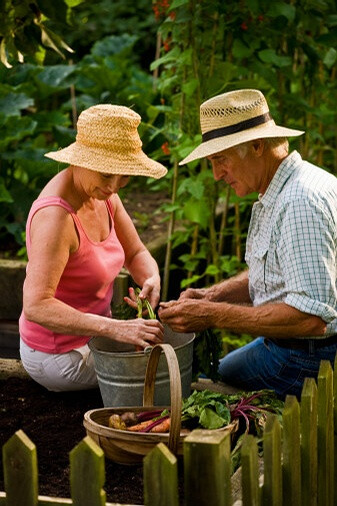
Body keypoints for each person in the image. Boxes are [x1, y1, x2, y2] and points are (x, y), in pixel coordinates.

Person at [159, 88, 337, 399]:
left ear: (256, 145)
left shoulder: (299, 203)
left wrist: (213, 315)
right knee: (215, 372)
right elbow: (278, 273)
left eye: (220, 159)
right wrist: (212, 296)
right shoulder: (289, 186)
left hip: (308, 359)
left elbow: (311, 319)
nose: (216, 175)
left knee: (200, 387)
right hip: (292, 345)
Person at [19, 104, 167, 392]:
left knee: (155, 348)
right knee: (156, 369)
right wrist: (115, 329)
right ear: (80, 160)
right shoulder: (56, 219)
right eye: (106, 174)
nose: (114, 186)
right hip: (56, 355)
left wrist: (152, 279)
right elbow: (36, 305)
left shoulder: (104, 196)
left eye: (123, 175)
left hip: (91, 338)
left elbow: (136, 253)